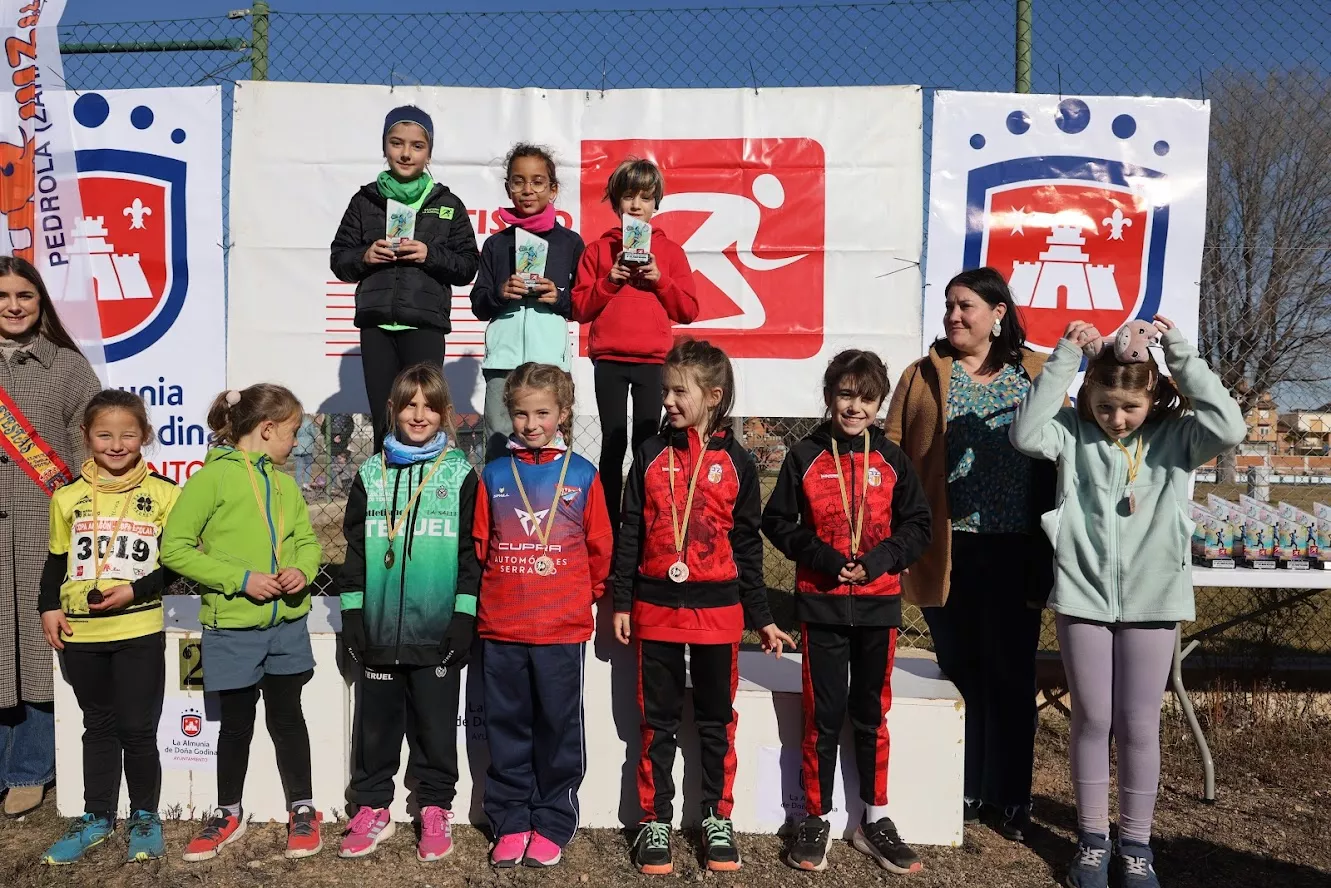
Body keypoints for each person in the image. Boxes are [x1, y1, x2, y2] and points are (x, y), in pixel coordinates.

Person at [1010, 316, 1245, 888]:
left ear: (1153, 398)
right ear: (1089, 396)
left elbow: (1231, 426)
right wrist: (1066, 356)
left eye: (1129, 408)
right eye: (1106, 405)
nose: (1116, 419)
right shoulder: (1071, 432)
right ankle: (1093, 840)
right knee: (1092, 718)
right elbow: (1024, 433)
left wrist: (1180, 353)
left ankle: (1136, 846)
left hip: (1154, 599)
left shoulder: (1176, 438)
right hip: (1083, 597)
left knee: (1139, 725)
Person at [883, 267, 1056, 841]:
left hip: (1017, 549)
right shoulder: (924, 375)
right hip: (945, 548)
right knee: (960, 670)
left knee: (1011, 674)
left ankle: (1010, 796)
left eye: (966, 307)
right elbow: (893, 454)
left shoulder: (1035, 373)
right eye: (949, 307)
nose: (954, 317)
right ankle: (960, 785)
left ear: (998, 313)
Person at [612, 337, 793, 876]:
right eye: (665, 390)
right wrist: (623, 598)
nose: (666, 400)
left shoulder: (736, 461)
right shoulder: (647, 452)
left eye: (678, 391)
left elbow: (747, 545)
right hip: (655, 605)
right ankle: (653, 821)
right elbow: (630, 530)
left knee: (716, 719)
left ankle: (717, 816)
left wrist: (760, 615)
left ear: (713, 396)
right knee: (657, 720)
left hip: (718, 612)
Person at [762, 349, 932, 874]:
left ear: (881, 403)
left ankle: (874, 818)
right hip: (823, 605)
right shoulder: (805, 455)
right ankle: (816, 817)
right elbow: (777, 521)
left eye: (866, 398)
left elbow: (919, 525)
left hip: (879, 605)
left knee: (871, 714)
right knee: (823, 714)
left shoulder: (893, 460)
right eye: (845, 394)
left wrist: (881, 560)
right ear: (829, 395)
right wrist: (826, 559)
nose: (854, 407)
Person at [161, 384, 324, 862]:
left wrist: (303, 570)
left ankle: (303, 808)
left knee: (288, 719)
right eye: (292, 433)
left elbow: (308, 543)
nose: (295, 443)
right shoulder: (210, 481)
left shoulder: (286, 484)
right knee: (235, 725)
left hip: (286, 627)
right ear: (267, 429)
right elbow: (175, 549)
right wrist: (241, 580)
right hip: (230, 628)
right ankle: (227, 811)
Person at [469, 362, 613, 868]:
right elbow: (483, 545)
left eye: (543, 413)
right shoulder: (492, 474)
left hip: (559, 629)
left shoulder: (581, 474)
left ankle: (552, 819)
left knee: (557, 727)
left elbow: (600, 549)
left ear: (564, 414)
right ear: (509, 415)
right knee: (507, 727)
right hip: (503, 625)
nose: (531, 424)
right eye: (522, 414)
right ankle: (509, 819)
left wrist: (581, 597)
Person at [336, 363, 478, 862]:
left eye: (430, 406)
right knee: (374, 728)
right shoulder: (370, 473)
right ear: (392, 410)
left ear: (445, 414)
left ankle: (436, 807)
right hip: (377, 627)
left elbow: (470, 556)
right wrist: (352, 614)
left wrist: (463, 616)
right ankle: (371, 808)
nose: (419, 414)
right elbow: (354, 549)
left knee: (435, 728)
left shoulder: (461, 475)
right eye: (409, 405)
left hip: (436, 629)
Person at [37, 390, 179, 864]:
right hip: (82, 633)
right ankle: (97, 815)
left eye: (128, 435)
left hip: (137, 628)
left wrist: (134, 592)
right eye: (104, 435)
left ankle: (144, 815)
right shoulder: (68, 496)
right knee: (96, 725)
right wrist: (47, 606)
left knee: (137, 729)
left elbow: (177, 564)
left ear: (145, 436)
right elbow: (57, 558)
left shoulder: (164, 494)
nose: (116, 445)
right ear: (86, 436)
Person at [0, 256, 102, 818]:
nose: (14, 306)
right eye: (3, 296)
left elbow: (91, 444)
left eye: (25, 296)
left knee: (41, 646)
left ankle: (30, 769)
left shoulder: (66, 367)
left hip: (45, 525)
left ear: (41, 304)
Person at [330, 104, 481, 449]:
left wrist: (430, 254)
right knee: (385, 418)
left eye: (417, 145)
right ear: (384, 146)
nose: (406, 153)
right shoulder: (364, 200)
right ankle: (386, 493)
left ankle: (424, 491)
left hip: (424, 324)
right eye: (397, 143)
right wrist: (365, 256)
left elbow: (468, 265)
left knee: (423, 416)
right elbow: (340, 259)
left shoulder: (448, 203)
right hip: (377, 325)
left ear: (429, 152)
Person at [572, 158, 699, 529]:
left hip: (653, 362)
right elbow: (579, 307)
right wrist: (610, 280)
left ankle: (646, 525)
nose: (637, 205)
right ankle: (609, 526)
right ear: (615, 202)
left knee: (647, 444)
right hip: (609, 360)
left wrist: (660, 279)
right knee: (613, 442)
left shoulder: (671, 252)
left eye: (646, 197)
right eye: (628, 196)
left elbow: (689, 309)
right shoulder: (597, 250)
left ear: (656, 202)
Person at [470, 144, 585, 461]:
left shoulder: (570, 243)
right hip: (502, 364)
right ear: (508, 188)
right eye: (518, 181)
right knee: (498, 442)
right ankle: (498, 508)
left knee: (552, 446)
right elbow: (478, 303)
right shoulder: (496, 244)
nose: (528, 190)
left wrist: (558, 297)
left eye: (537, 181)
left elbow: (584, 304)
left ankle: (554, 509)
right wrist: (500, 293)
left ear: (553, 189)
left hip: (550, 364)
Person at [292, 413, 319, 491]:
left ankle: (298, 485)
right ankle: (306, 483)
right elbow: (313, 433)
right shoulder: (309, 422)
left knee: (299, 467)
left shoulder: (295, 422)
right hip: (308, 446)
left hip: (297, 446)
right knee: (308, 465)